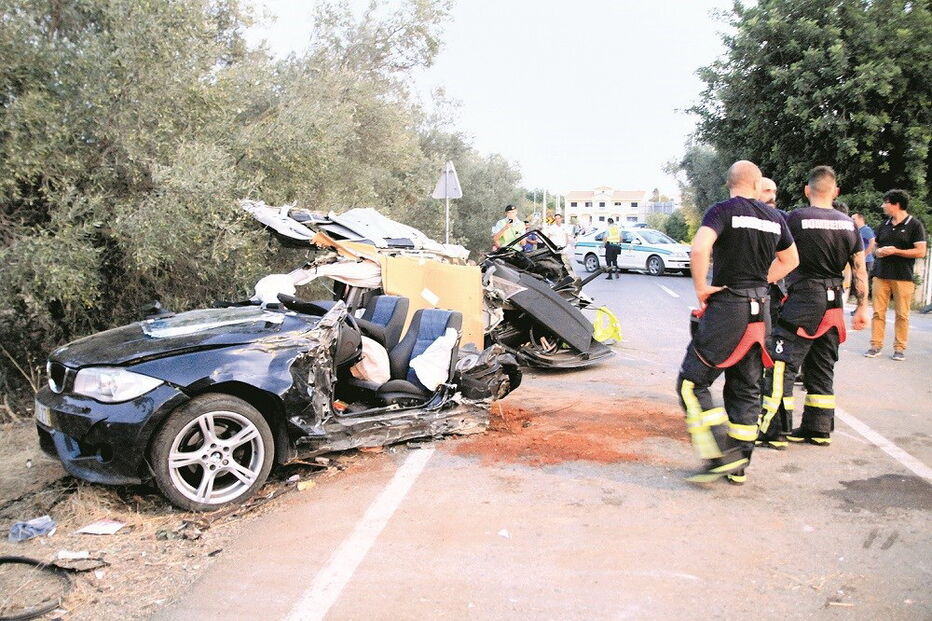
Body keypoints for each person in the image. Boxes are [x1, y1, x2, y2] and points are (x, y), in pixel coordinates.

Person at [676, 160, 798, 484]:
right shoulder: (775, 218)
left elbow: (700, 247)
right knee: (746, 387)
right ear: (757, 186)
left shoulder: (723, 211)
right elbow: (791, 260)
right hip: (762, 311)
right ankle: (739, 466)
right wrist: (762, 280)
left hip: (729, 308)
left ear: (730, 184)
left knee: (692, 382)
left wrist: (702, 288)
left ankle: (720, 454)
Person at [758, 166, 869, 450]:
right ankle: (817, 429)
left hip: (805, 299)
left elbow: (780, 255)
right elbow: (858, 269)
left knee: (782, 363)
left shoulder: (796, 218)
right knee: (822, 367)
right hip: (835, 303)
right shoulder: (849, 224)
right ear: (836, 191)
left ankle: (774, 431)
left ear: (807, 190)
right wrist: (862, 307)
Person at [864, 190, 927, 361]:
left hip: (903, 276)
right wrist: (879, 252)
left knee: (902, 314)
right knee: (878, 312)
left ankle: (899, 348)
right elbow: (875, 247)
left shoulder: (915, 225)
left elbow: (921, 251)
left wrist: (896, 251)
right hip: (881, 274)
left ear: (896, 205)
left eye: (886, 202)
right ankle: (875, 345)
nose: (883, 206)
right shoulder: (883, 225)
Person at [851, 213, 876, 298]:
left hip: (866, 260)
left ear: (861, 219)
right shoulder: (858, 230)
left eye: (854, 219)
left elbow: (872, 242)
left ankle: (863, 303)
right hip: (860, 260)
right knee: (857, 282)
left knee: (862, 282)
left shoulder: (866, 229)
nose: (852, 221)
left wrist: (864, 255)